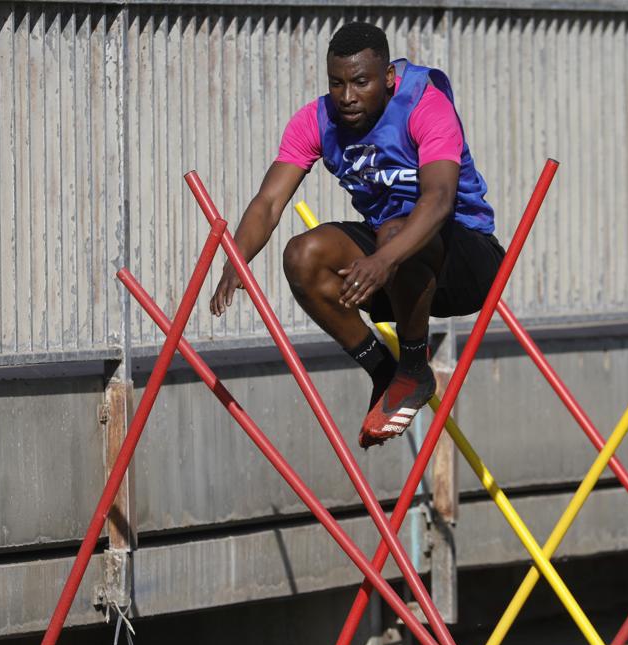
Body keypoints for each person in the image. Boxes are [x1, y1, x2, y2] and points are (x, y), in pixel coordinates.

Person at [209, 22, 502, 448]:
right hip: (390, 262)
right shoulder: (316, 119)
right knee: (303, 255)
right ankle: (383, 370)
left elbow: (439, 199)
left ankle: (414, 369)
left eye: (360, 82)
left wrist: (385, 260)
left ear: (387, 78)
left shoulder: (424, 103)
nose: (347, 97)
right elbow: (269, 202)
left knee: (395, 231)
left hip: (466, 256)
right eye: (337, 83)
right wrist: (236, 260)